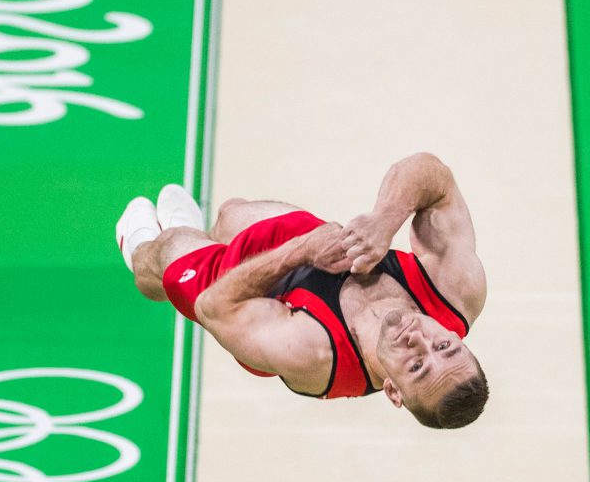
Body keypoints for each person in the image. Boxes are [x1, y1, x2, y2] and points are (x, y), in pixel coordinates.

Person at [115, 153, 489, 428]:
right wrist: (384, 221)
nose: (419, 340)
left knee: (170, 250)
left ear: (393, 390)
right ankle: (204, 235)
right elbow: (434, 176)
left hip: (251, 305)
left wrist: (302, 252)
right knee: (232, 214)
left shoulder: (312, 355)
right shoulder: (456, 290)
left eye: (417, 366)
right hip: (310, 256)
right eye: (443, 346)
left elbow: (214, 308)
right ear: (459, 338)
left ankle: (144, 249)